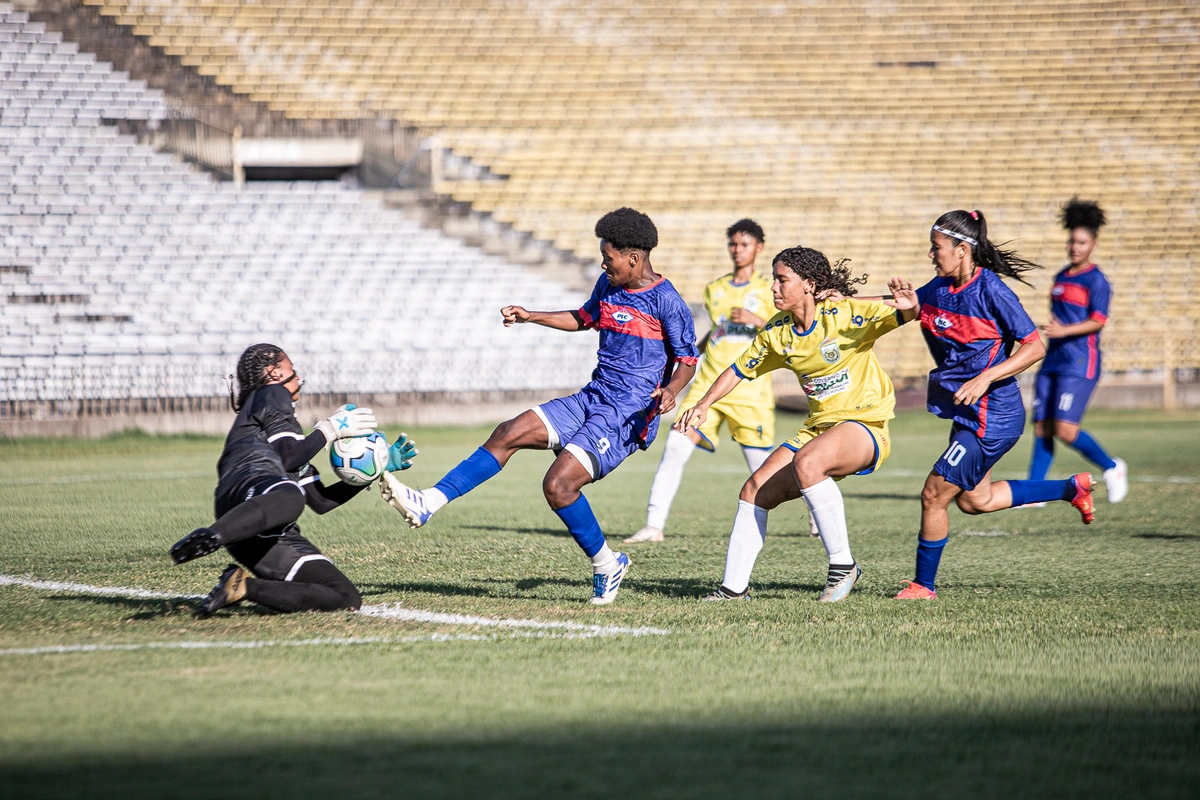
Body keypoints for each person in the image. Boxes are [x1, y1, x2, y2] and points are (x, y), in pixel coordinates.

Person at [381, 208, 699, 605]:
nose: (603, 263)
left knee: (558, 486)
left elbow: (687, 360)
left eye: (609, 256)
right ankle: (429, 501)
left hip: (626, 415)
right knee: (507, 432)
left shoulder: (668, 302)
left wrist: (671, 390)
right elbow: (584, 318)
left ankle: (606, 564)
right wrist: (532, 316)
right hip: (592, 398)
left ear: (634, 258)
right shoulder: (608, 284)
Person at [676, 246, 902, 603]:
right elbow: (737, 370)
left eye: (782, 280)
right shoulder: (776, 333)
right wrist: (703, 404)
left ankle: (843, 565)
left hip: (865, 425)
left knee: (808, 462)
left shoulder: (843, 313)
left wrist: (904, 299)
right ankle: (734, 590)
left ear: (810, 284)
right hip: (817, 431)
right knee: (755, 490)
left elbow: (907, 308)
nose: (774, 288)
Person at [890, 210, 1095, 601]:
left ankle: (923, 586)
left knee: (934, 494)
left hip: (993, 418)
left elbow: (1034, 346)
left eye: (936, 248)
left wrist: (986, 377)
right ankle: (1070, 488)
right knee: (974, 500)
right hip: (968, 415)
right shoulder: (940, 287)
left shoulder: (993, 291)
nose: (931, 255)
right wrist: (863, 301)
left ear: (962, 249)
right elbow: (915, 307)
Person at [169, 343, 418, 617]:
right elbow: (288, 457)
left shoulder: (288, 434)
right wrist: (330, 428)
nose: (298, 378)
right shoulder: (271, 392)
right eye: (293, 370)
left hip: (262, 527)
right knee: (290, 496)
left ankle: (240, 588)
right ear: (273, 372)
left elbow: (320, 501)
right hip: (246, 489)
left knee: (343, 596)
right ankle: (210, 536)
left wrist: (374, 468)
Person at [627, 218, 793, 544]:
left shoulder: (770, 288)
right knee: (674, 447)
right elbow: (717, 332)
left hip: (749, 390)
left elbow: (786, 332)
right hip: (708, 386)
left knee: (766, 469)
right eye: (733, 243)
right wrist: (687, 355)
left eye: (744, 244)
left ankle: (816, 510)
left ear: (758, 248)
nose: (737, 250)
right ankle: (653, 525)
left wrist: (757, 320)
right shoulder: (715, 289)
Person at [1026, 198, 1126, 502]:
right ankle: (1033, 490)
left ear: (1092, 244)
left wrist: (1064, 330)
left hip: (1080, 362)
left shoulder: (1097, 280)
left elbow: (1098, 320)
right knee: (1042, 426)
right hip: (1053, 359)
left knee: (1066, 430)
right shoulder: (1060, 276)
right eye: (1072, 241)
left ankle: (1112, 467)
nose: (1075, 247)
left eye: (1082, 242)